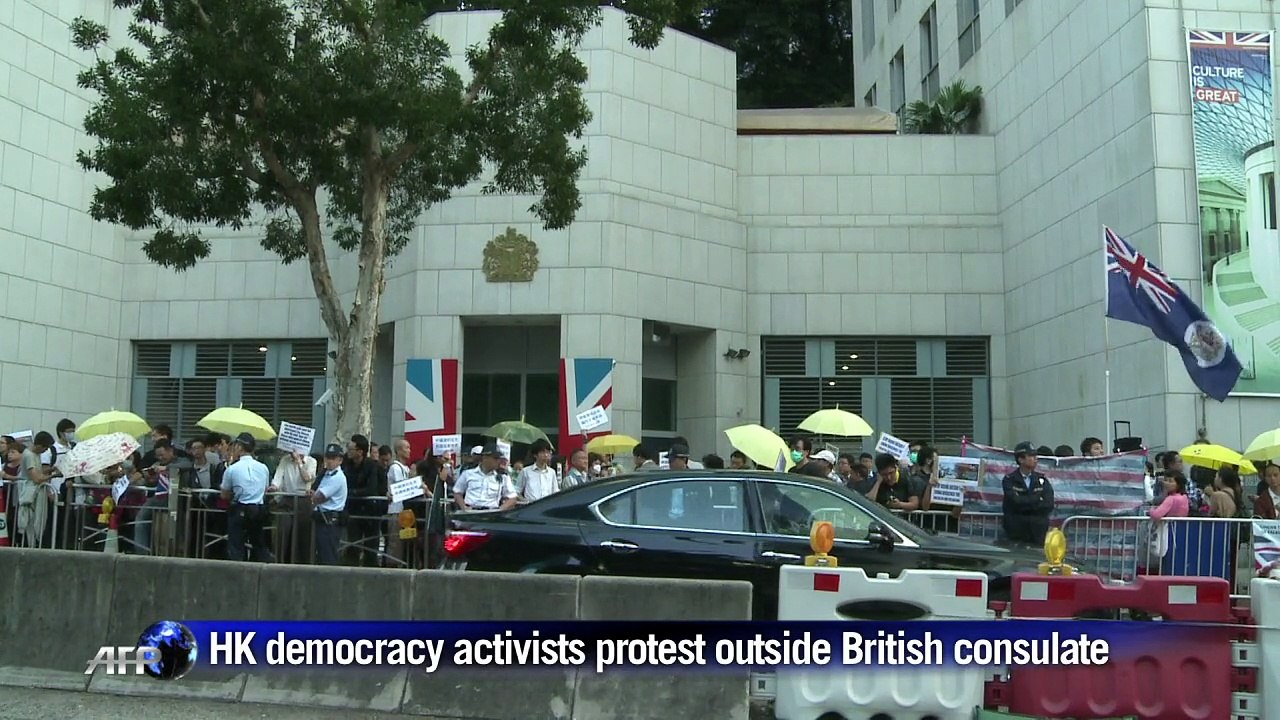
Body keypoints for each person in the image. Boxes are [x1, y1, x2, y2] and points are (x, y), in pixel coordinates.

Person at [220, 433, 274, 562]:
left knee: (236, 545)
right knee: (259, 544)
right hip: (259, 509)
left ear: (239, 447)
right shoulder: (263, 468)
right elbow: (265, 489)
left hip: (240, 508)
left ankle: (238, 571)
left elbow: (224, 494)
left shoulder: (232, 469)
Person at [1001, 442, 1055, 545]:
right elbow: (1015, 502)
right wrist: (1037, 499)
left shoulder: (1042, 480)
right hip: (1016, 532)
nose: (1035, 459)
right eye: (1031, 456)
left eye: (1035, 456)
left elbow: (1048, 504)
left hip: (1037, 532)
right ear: (1021, 459)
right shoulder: (1009, 480)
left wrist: (1025, 501)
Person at [268, 448, 316, 563]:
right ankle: (281, 561)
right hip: (287, 499)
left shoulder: (311, 461)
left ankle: (302, 563)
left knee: (303, 534)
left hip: (303, 500)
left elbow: (307, 478)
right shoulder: (285, 460)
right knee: (283, 531)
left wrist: (299, 462)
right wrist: (274, 487)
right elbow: (278, 477)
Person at [310, 444, 348, 566]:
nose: (329, 461)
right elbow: (313, 491)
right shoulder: (325, 474)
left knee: (328, 556)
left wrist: (313, 496)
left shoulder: (337, 477)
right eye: (328, 457)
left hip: (330, 520)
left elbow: (319, 497)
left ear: (340, 460)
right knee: (321, 554)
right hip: (322, 518)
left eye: (333, 458)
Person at [453, 444, 518, 511]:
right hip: (470, 512)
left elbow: (512, 498)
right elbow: (457, 492)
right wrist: (463, 507)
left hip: (491, 513)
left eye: (499, 458)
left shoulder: (503, 477)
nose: (498, 461)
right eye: (495, 458)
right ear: (485, 458)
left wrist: (500, 509)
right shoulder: (468, 474)